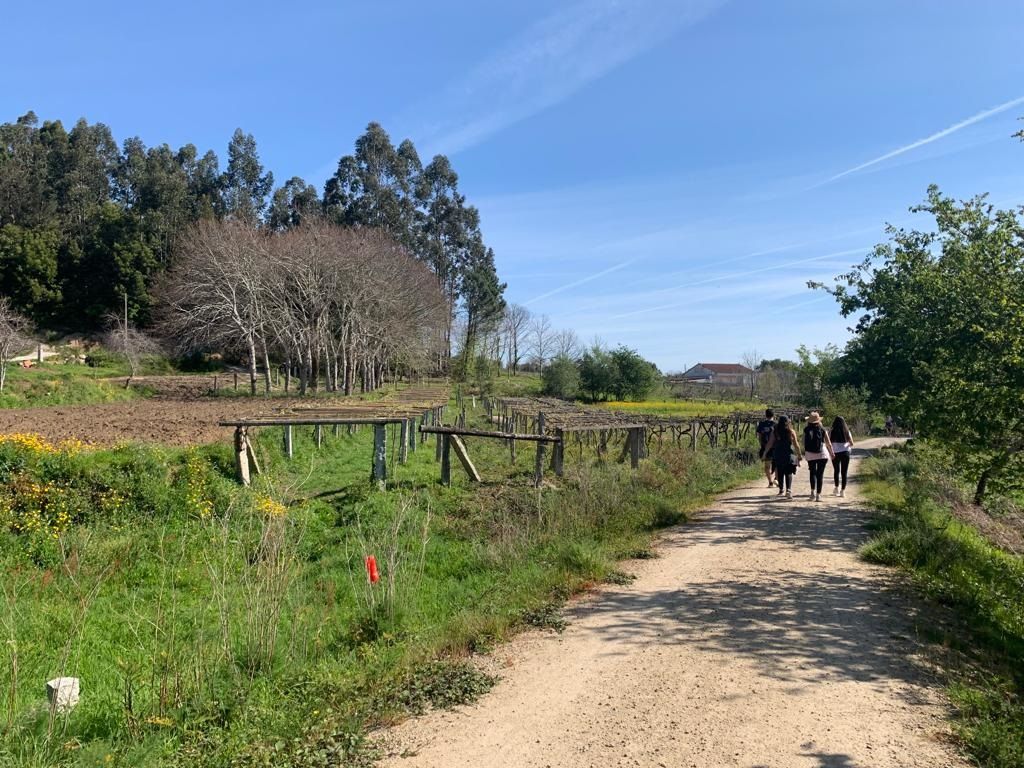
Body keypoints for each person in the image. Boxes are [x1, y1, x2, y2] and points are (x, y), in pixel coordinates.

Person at [763, 415, 802, 498]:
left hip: (778, 454)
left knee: (780, 472)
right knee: (789, 472)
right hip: (789, 454)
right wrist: (799, 455)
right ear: (787, 422)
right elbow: (796, 444)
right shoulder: (791, 431)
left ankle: (781, 490)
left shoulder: (775, 431)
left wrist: (765, 453)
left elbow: (770, 443)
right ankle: (788, 490)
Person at [803, 411, 835, 502]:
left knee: (812, 473)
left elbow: (803, 442)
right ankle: (818, 495)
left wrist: (805, 451)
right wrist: (832, 453)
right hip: (822, 454)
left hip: (810, 454)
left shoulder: (806, 430)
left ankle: (812, 493)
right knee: (820, 474)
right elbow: (828, 443)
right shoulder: (823, 430)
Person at [829, 415, 854, 496]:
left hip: (835, 453)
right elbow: (852, 443)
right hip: (845, 453)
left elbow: (828, 443)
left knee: (836, 471)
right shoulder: (847, 431)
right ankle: (843, 491)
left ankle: (836, 487)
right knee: (844, 472)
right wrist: (845, 445)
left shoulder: (831, 431)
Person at [756, 408, 777, 487]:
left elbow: (760, 436)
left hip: (765, 446)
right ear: (773, 415)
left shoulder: (761, 424)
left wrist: (762, 445)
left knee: (767, 466)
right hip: (775, 447)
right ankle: (776, 479)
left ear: (766, 415)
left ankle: (770, 482)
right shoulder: (776, 424)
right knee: (776, 464)